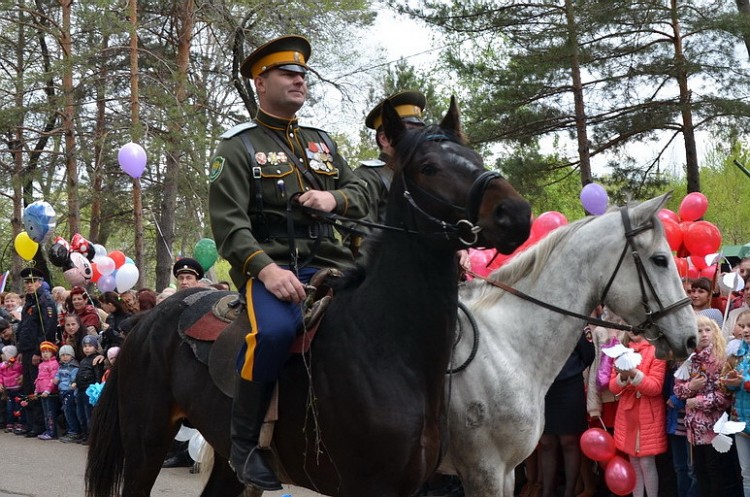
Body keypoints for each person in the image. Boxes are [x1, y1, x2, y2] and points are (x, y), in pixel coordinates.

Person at [208, 34, 368, 490]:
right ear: (261, 82)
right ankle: (243, 445)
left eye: (302, 74)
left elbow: (362, 193)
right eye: (288, 73)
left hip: (331, 261)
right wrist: (266, 269)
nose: (300, 79)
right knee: (274, 331)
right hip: (274, 267)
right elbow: (228, 224)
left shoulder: (322, 143)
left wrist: (333, 197)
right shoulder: (238, 147)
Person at [675, 316, 741, 497]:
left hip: (715, 426)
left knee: (716, 471)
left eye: (707, 330)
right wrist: (691, 387)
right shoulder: (688, 361)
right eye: (699, 330)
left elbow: (725, 395)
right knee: (699, 470)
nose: (703, 334)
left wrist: (699, 401)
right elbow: (679, 390)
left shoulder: (720, 360)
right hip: (694, 428)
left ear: (715, 332)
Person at [351, 91, 426, 247]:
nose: (419, 138)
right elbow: (361, 238)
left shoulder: (421, 180)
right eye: (411, 132)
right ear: (384, 139)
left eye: (421, 132)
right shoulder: (367, 177)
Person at [609, 329, 668, 497]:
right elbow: (613, 387)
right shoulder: (622, 351)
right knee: (633, 461)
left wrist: (635, 374)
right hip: (628, 413)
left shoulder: (656, 351)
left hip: (647, 413)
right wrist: (621, 378)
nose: (632, 329)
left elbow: (655, 387)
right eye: (628, 326)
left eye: (636, 325)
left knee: (647, 462)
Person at [539, 325, 595, 497]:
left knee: (568, 441)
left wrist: (570, 369)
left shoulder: (575, 320)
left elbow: (588, 354)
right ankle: (547, 492)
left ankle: (569, 492)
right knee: (546, 442)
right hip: (543, 386)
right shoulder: (536, 314)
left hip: (569, 386)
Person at [15, 267, 57, 437]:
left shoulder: (45, 300)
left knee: (36, 386)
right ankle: (31, 422)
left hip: (37, 351)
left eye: (32, 281)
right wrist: (20, 349)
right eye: (27, 282)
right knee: (28, 386)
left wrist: (39, 351)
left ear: (40, 282)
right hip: (26, 349)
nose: (29, 285)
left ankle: (40, 424)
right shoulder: (30, 301)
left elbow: (48, 327)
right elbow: (25, 326)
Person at [722, 308, 750, 497]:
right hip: (740, 421)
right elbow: (724, 386)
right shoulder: (735, 355)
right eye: (742, 326)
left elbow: (744, 383)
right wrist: (730, 383)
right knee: (746, 473)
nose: (746, 330)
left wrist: (745, 383)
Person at [73, 334, 103, 444]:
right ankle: (85, 434)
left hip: (90, 391)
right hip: (80, 390)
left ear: (96, 347)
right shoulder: (83, 360)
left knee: (89, 414)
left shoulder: (97, 360)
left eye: (90, 345)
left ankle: (91, 436)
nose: (87, 348)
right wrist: (76, 382)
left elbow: (97, 375)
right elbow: (80, 373)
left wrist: (97, 388)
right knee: (81, 414)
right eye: (85, 346)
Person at [54, 344, 81, 443]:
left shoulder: (74, 367)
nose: (65, 357)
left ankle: (74, 431)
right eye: (62, 355)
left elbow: (74, 377)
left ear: (72, 356)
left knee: (69, 412)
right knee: (65, 412)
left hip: (69, 391)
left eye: (67, 355)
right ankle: (70, 430)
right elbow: (58, 374)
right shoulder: (61, 366)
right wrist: (56, 379)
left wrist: (73, 384)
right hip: (62, 391)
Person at [34, 340, 60, 440]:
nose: (45, 354)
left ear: (52, 352)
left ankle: (52, 432)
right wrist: (37, 390)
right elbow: (39, 379)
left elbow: (54, 379)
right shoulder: (41, 365)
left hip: (49, 393)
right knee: (45, 413)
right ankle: (48, 430)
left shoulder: (54, 364)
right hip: (42, 392)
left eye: (47, 351)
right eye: (43, 352)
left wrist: (48, 390)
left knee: (50, 413)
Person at [0, 344, 23, 432]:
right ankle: (10, 422)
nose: (2, 356)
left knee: (18, 407)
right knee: (10, 408)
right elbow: (1, 375)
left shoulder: (17, 364)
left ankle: (19, 422)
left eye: (3, 354)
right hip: (8, 389)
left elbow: (21, 370)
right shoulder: (2, 365)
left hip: (17, 388)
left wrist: (13, 363)